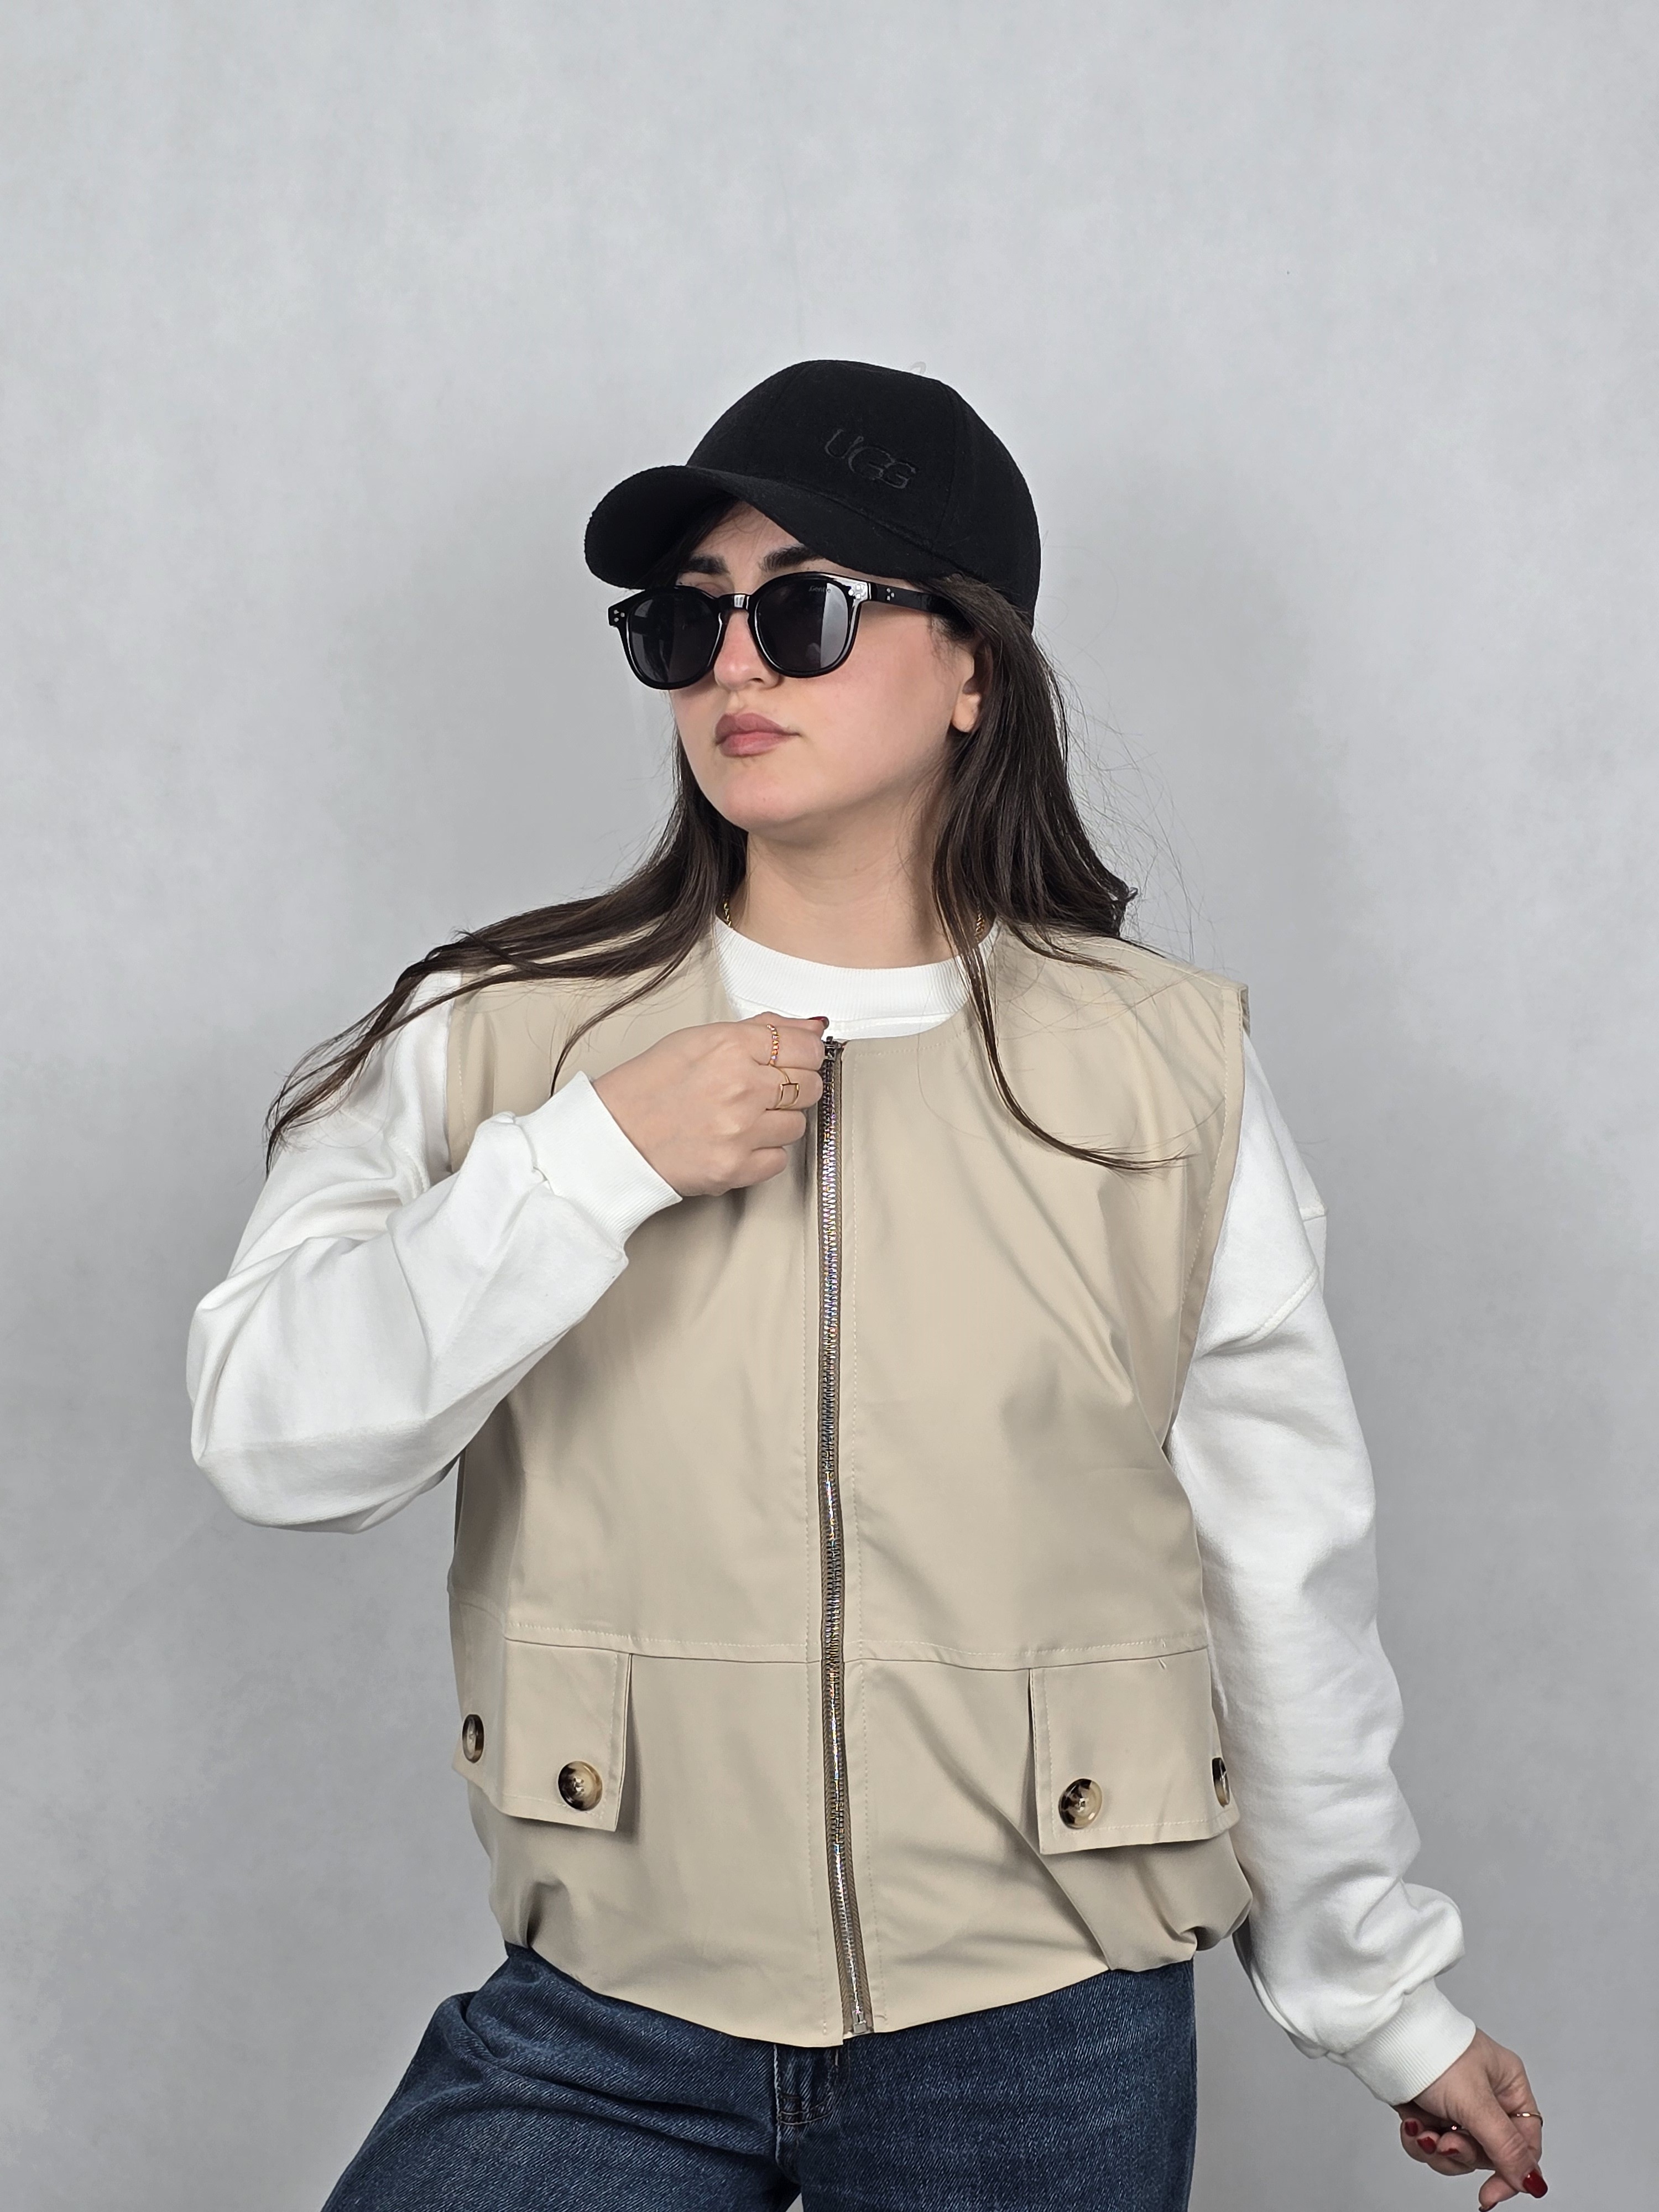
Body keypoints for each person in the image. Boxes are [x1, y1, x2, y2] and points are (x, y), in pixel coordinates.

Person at [188, 360, 1545, 2212]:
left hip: (1042, 2034)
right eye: (688, 621)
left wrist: (1382, 1998)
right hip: (609, 2016)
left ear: (973, 667)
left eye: (805, 610)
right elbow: (271, 1439)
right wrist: (591, 1162)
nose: (734, 667)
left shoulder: (1167, 1074)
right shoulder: (496, 1038)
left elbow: (1282, 1566)